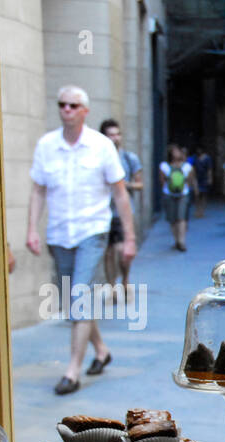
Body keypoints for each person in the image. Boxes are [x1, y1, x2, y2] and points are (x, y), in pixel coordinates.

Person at [27, 85, 135, 395]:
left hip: (92, 233)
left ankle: (72, 370)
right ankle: (101, 350)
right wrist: (32, 229)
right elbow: (37, 191)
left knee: (79, 298)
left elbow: (120, 192)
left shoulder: (101, 146)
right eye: (62, 104)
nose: (67, 110)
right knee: (72, 302)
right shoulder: (46, 145)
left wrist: (129, 238)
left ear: (85, 111)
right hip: (59, 235)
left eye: (74, 105)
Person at [99, 118, 142, 304]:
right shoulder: (97, 158)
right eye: (111, 135)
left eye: (117, 134)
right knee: (109, 252)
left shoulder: (129, 158)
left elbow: (140, 184)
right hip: (102, 212)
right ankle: (111, 284)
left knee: (122, 252)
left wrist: (125, 185)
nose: (115, 138)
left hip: (122, 213)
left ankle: (125, 278)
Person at [159, 144, 196, 251]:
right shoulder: (166, 166)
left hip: (180, 194)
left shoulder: (186, 166)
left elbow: (162, 181)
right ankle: (177, 240)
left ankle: (181, 241)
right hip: (173, 194)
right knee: (173, 219)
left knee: (181, 218)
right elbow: (190, 180)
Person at [193, 145, 213, 218]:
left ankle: (202, 211)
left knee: (204, 195)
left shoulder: (207, 158)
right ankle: (197, 210)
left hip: (204, 178)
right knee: (197, 195)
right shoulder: (195, 158)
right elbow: (193, 168)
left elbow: (209, 169)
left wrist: (210, 178)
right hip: (197, 178)